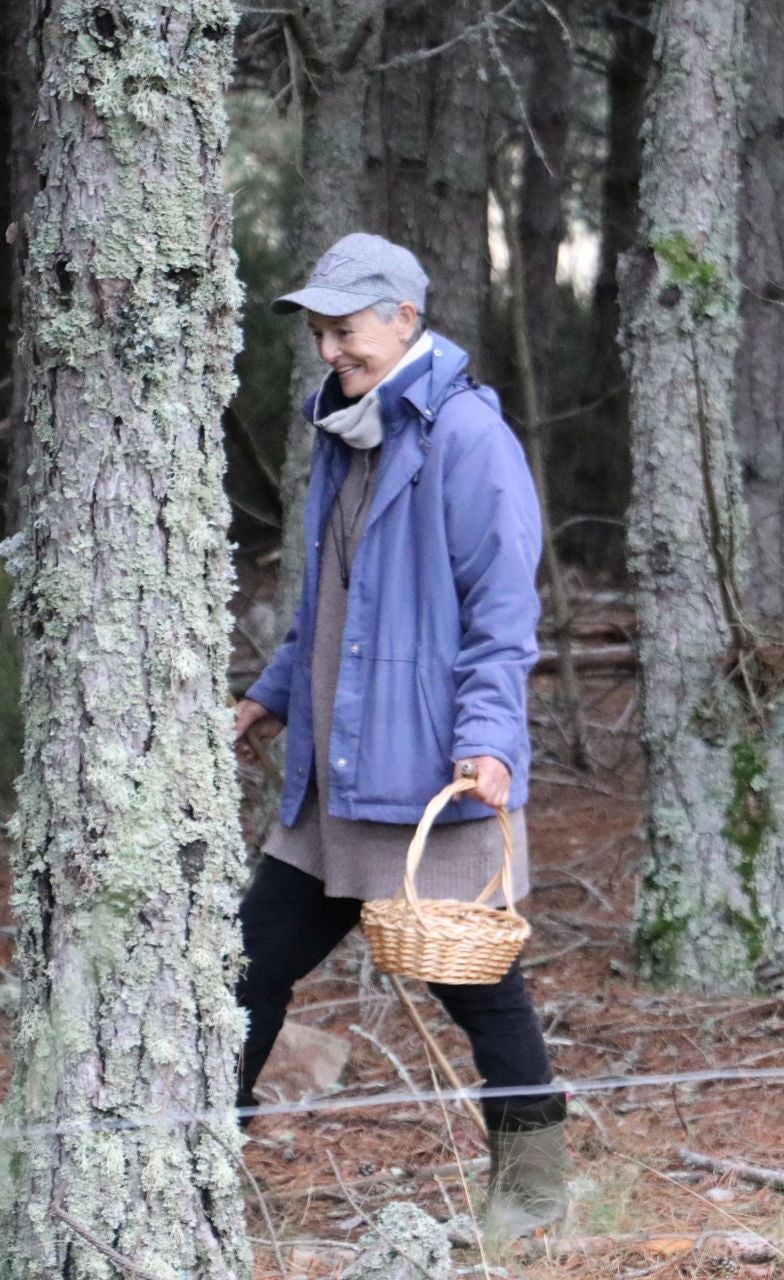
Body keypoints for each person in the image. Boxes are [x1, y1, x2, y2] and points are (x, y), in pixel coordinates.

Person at [233, 233, 568, 1238]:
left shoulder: (469, 439)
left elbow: (504, 614)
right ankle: (197, 1158)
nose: (332, 348)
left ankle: (535, 1194)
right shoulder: (347, 430)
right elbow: (330, 605)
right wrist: (268, 696)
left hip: (433, 780)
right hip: (332, 786)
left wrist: (490, 743)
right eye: (323, 332)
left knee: (481, 993)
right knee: (248, 966)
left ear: (405, 320)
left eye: (347, 329)